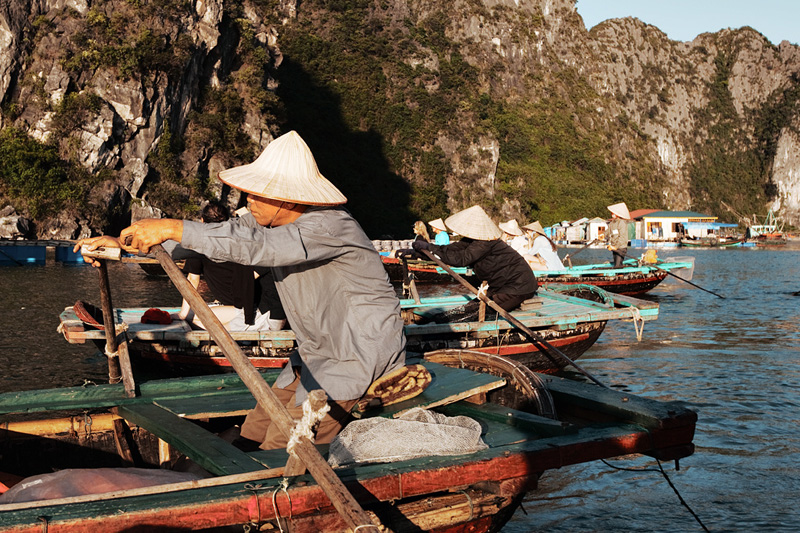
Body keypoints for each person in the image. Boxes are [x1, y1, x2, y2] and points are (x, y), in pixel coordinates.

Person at [76, 130, 407, 450]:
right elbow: (222, 236)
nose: (249, 199)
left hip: (356, 356)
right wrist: (123, 245)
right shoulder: (267, 222)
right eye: (250, 192)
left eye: (260, 192)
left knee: (282, 451)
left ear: (291, 196)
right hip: (312, 357)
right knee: (249, 436)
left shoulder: (330, 225)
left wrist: (172, 226)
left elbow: (259, 248)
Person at [412, 205, 538, 319]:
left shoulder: (485, 242)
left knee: (486, 310)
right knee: (473, 305)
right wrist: (427, 250)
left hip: (519, 286)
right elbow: (452, 248)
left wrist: (429, 248)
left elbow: (461, 259)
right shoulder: (472, 240)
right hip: (501, 285)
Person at [178, 200, 286, 332]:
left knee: (202, 325)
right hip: (240, 308)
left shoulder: (201, 249)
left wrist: (183, 314)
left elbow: (192, 280)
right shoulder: (244, 244)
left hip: (255, 312)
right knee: (194, 318)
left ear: (202, 221)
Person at [606, 202, 630, 268]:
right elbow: (608, 231)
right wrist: (602, 235)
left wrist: (616, 247)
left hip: (620, 248)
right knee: (616, 263)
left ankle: (620, 276)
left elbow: (622, 237)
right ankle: (619, 275)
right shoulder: (612, 223)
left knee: (618, 265)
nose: (611, 213)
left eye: (612, 212)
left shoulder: (622, 223)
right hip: (614, 247)